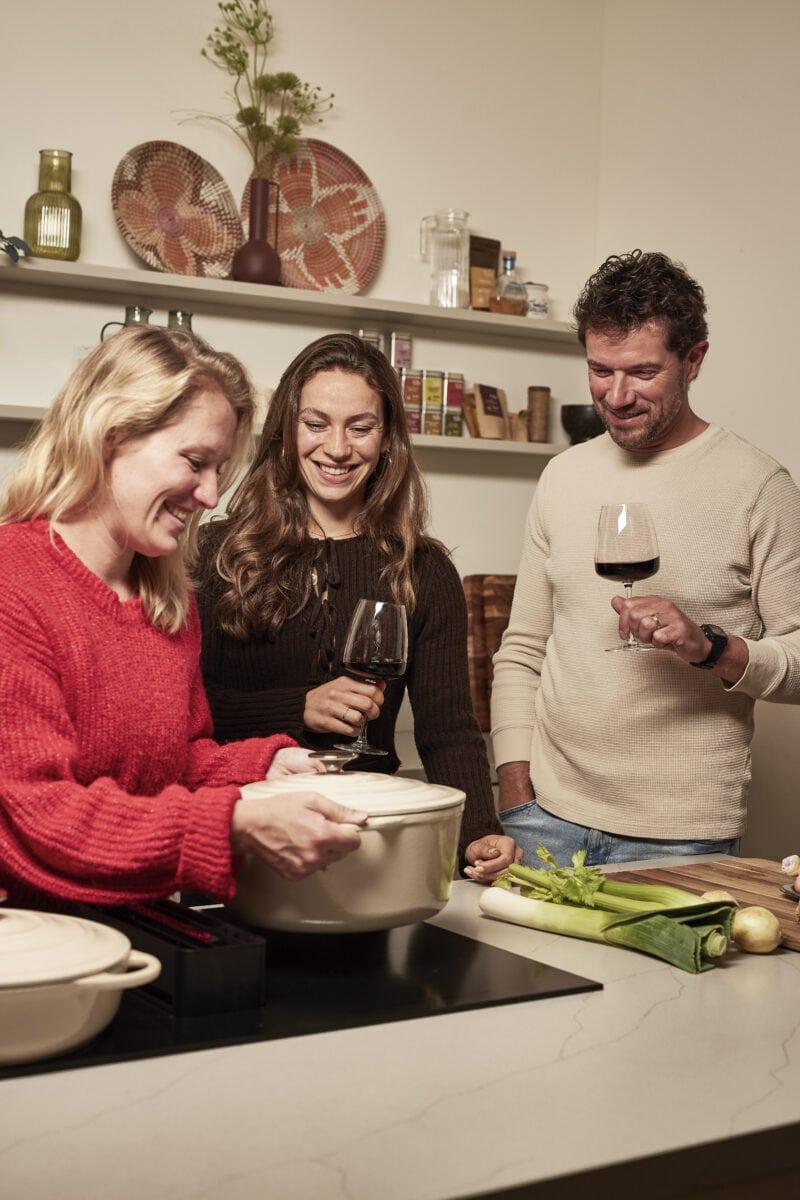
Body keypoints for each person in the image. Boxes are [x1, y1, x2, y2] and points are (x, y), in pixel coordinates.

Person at [0, 325, 368, 909]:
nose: (211, 494)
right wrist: (232, 825)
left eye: (219, 468)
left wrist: (267, 764)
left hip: (136, 926)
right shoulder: (12, 583)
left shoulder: (166, 598)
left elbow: (178, 761)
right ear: (111, 435)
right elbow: (40, 813)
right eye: (196, 462)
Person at [491, 249, 800, 867]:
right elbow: (523, 648)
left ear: (695, 360)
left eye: (641, 371)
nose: (617, 395)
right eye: (599, 371)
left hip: (682, 835)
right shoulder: (562, 477)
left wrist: (712, 648)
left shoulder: (760, 486)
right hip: (542, 820)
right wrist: (516, 789)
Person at [194, 332, 519, 882]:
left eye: (360, 427)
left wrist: (479, 833)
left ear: (388, 437)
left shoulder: (424, 569)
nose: (338, 448)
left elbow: (448, 733)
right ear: (286, 430)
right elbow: (186, 717)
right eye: (316, 424)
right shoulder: (216, 553)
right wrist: (297, 708)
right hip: (242, 834)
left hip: (368, 838)